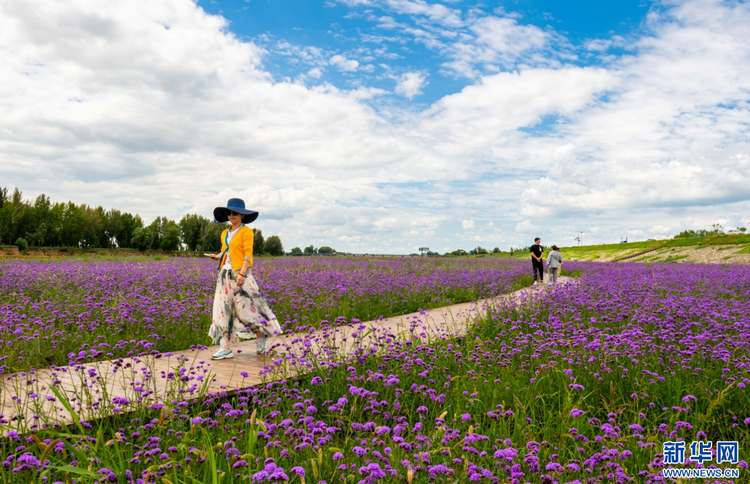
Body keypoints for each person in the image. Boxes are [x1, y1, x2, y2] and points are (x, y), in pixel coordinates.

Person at [204, 198, 282, 359]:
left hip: (241, 275)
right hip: (224, 275)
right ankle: (225, 347)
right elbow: (226, 250)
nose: (231, 215)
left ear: (242, 215)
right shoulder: (225, 233)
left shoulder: (246, 232)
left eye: (235, 213)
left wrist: (242, 274)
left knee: (246, 311)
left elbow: (247, 253)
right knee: (222, 311)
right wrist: (217, 256)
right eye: (229, 213)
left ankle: (261, 336)